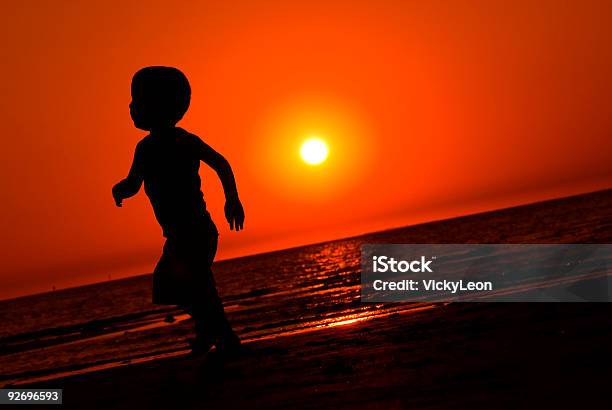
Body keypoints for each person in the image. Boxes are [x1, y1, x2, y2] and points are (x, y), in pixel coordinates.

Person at [112, 66, 245, 355]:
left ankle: (220, 337)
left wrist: (231, 199)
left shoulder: (183, 140)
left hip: (195, 230)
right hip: (178, 234)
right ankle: (212, 333)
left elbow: (220, 163)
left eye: (137, 100)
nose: (131, 107)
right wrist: (121, 189)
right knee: (178, 286)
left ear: (159, 105)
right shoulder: (144, 148)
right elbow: (134, 182)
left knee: (191, 285)